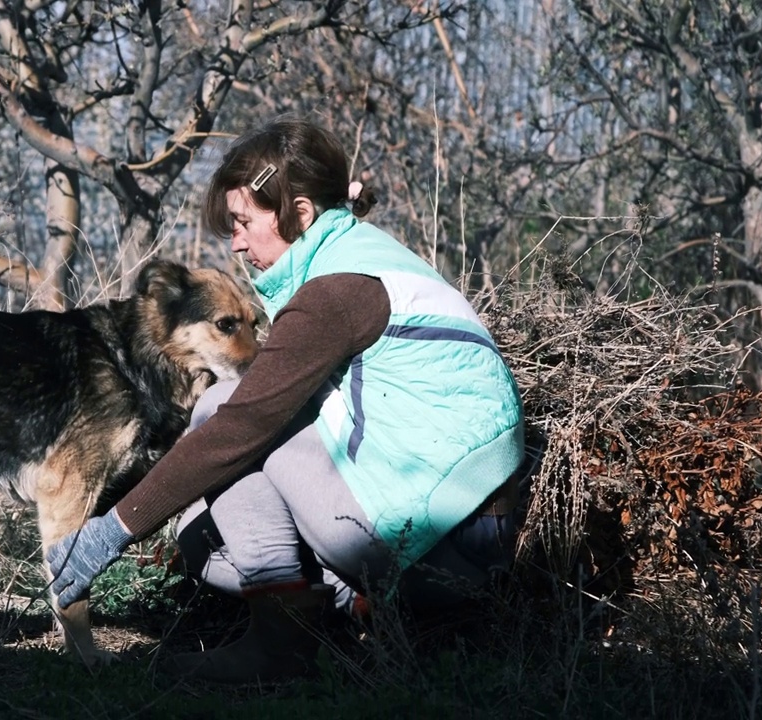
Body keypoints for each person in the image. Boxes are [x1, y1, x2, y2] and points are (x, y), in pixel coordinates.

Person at [46, 117, 527, 683]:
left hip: (437, 534)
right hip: (467, 528)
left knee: (219, 410)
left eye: (245, 223)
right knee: (198, 539)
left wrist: (112, 532)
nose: (237, 242)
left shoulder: (336, 290)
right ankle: (354, 606)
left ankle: (282, 649)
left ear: (300, 212)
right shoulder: (372, 256)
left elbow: (241, 424)